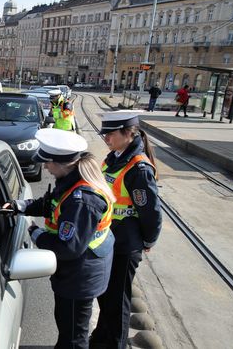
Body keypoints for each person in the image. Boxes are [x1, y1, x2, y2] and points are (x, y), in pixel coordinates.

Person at [3, 128, 115, 349]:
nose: (44, 166)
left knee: (73, 337)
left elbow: (68, 248)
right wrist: (20, 207)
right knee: (68, 329)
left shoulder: (82, 200)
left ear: (62, 163)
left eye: (47, 162)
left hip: (80, 277)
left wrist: (35, 232)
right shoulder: (71, 181)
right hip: (78, 271)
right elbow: (51, 203)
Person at [90, 111, 162, 349]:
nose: (106, 138)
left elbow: (150, 211)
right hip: (110, 238)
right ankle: (101, 338)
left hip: (126, 244)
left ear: (127, 133)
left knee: (118, 301)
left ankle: (114, 344)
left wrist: (149, 240)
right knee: (107, 296)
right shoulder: (114, 157)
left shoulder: (138, 169)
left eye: (110, 134)